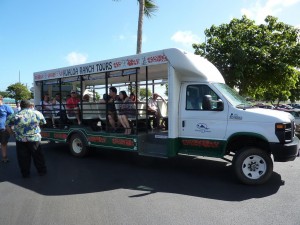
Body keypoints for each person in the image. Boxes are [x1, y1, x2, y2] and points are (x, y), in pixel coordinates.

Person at [6, 100, 47, 178]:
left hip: (20, 139)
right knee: (38, 155)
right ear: (29, 105)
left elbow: (7, 125)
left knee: (23, 157)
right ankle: (42, 171)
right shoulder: (37, 113)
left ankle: (25, 174)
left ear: (20, 106)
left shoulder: (15, 115)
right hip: (34, 138)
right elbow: (43, 122)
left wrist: (12, 133)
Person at [0, 95, 14, 162]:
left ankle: (4, 157)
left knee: (3, 143)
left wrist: (10, 126)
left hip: (3, 128)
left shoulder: (6, 107)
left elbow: (12, 116)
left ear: (1, 99)